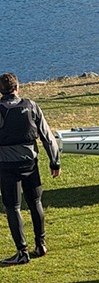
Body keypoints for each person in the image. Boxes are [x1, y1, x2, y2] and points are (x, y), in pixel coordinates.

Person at [0, 72, 61, 265]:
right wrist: (55, 162)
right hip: (30, 164)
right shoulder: (31, 106)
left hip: (7, 166)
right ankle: (40, 244)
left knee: (13, 207)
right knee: (35, 202)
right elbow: (47, 136)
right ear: (17, 88)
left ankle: (22, 251)